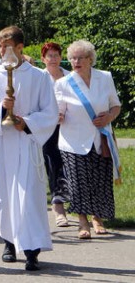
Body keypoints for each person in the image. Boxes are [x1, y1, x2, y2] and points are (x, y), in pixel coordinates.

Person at [0, 26, 58, 271]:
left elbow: (50, 112)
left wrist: (27, 123)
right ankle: (9, 242)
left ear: (21, 47)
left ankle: (32, 249)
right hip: (4, 143)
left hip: (28, 142)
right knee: (6, 194)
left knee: (31, 195)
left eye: (8, 46)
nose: (3, 51)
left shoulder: (39, 76)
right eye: (1, 46)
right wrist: (2, 108)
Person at [54, 40, 121, 239]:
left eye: (80, 58)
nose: (75, 61)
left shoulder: (105, 77)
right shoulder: (63, 83)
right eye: (72, 58)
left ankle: (97, 218)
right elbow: (58, 111)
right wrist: (57, 116)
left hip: (101, 138)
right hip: (73, 141)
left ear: (90, 59)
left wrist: (109, 117)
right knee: (78, 183)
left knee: (100, 180)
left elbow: (115, 106)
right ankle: (83, 223)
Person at [40, 42, 70, 227]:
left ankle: (77, 205)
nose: (53, 59)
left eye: (56, 55)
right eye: (49, 56)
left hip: (69, 128)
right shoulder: (40, 78)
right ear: (43, 59)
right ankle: (58, 206)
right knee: (53, 165)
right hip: (48, 130)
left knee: (70, 166)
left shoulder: (69, 77)